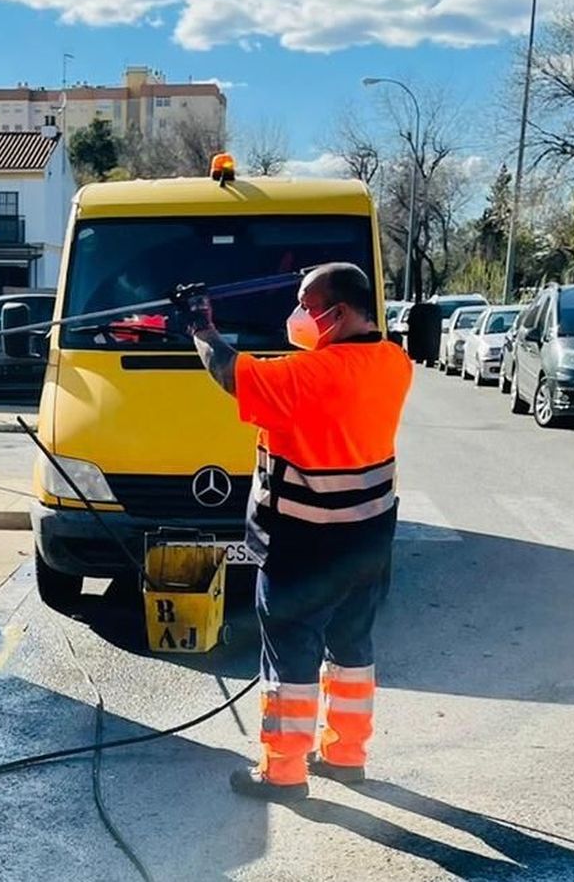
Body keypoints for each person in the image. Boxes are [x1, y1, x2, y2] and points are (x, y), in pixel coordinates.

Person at [179, 262, 413, 803]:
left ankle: (284, 772)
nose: (299, 315)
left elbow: (229, 372)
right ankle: (345, 755)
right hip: (369, 537)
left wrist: (201, 328)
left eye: (308, 305)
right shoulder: (394, 363)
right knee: (352, 646)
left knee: (290, 654)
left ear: (341, 312)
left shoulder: (307, 376)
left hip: (304, 541)